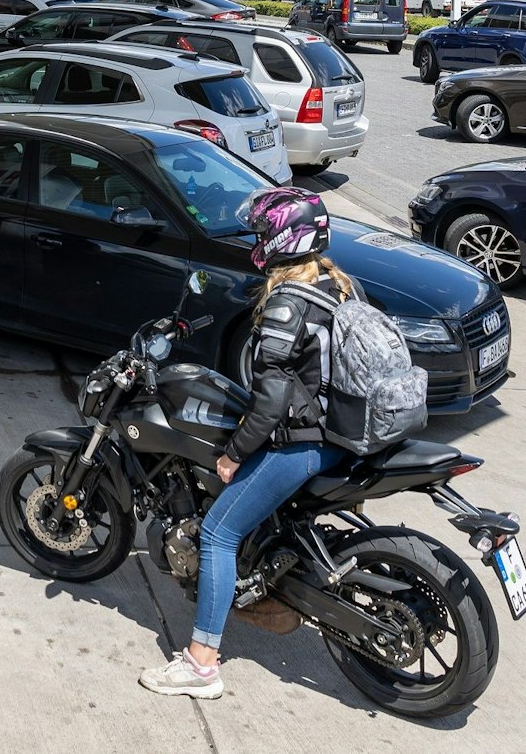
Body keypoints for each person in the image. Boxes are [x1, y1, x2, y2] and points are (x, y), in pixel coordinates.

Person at [139, 186, 351, 700]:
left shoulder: (287, 302)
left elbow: (273, 397)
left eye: (262, 232)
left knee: (216, 534)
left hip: (305, 443)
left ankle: (201, 664)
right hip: (342, 434)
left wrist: (234, 453)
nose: (257, 240)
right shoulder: (337, 284)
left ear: (283, 237)